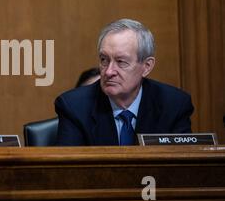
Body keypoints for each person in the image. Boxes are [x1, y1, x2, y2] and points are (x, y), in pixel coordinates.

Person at [55, 18, 193, 146]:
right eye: (104, 60)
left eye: (121, 62)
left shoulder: (174, 105)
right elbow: (69, 170)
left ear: (147, 66)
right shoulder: (74, 106)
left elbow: (181, 168)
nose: (109, 71)